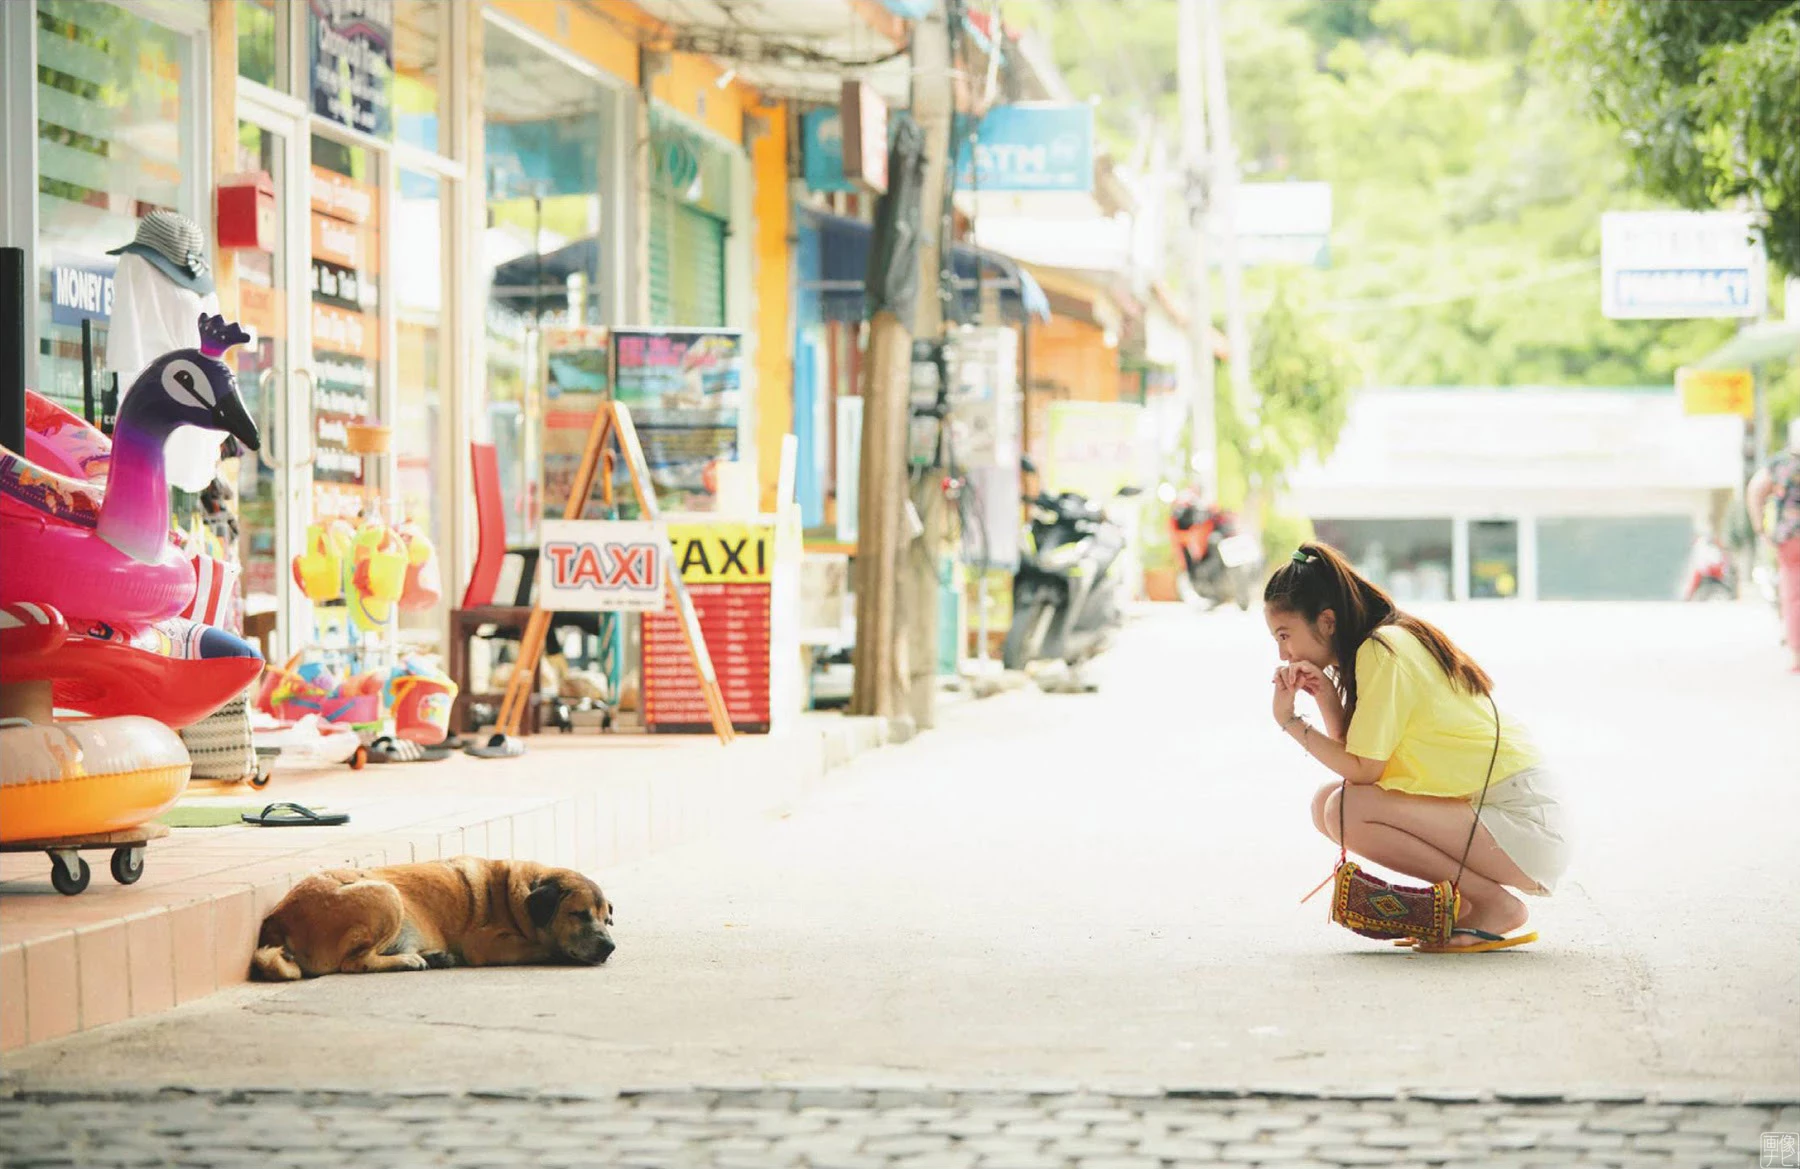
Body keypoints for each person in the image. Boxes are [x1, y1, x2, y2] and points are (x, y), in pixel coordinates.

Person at [1265, 542, 1570, 952]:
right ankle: (1476, 903)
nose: (1283, 653)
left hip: (1522, 819)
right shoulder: (1388, 640)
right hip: (1507, 815)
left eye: (1285, 636)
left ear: (1326, 621)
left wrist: (1289, 722)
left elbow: (1363, 772)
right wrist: (1325, 697)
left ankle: (1493, 904)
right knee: (1330, 804)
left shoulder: (1382, 649)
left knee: (1342, 808)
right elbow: (1359, 759)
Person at [1746, 418, 1800, 673]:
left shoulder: (1781, 464)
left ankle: (1798, 655)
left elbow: (1756, 490)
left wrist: (1760, 527)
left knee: (1793, 596)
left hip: (1790, 537)